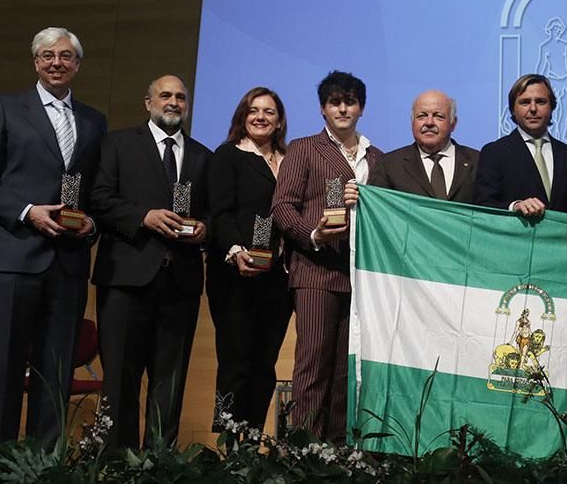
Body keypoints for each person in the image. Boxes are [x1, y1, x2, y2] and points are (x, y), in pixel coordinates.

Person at [0, 27, 107, 446]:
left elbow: (95, 189)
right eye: (47, 56)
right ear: (35, 62)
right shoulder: (3, 109)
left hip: (68, 263)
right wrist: (26, 212)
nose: (56, 62)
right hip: (13, 258)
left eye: (65, 56)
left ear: (77, 63)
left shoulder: (94, 120)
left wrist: (92, 224)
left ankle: (45, 465)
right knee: (0, 369)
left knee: (55, 372)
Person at [90, 74, 212, 448]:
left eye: (180, 97)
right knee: (119, 382)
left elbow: (210, 213)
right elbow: (99, 199)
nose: (173, 102)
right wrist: (143, 216)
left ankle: (160, 464)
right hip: (126, 280)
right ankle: (117, 464)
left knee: (170, 382)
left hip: (180, 283)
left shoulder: (203, 156)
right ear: (148, 102)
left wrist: (205, 228)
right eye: (165, 95)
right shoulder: (118, 145)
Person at [271, 70, 382, 441]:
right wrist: (314, 234)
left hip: (362, 278)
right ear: (323, 108)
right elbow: (283, 207)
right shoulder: (304, 148)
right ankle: (304, 453)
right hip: (316, 272)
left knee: (345, 373)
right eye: (335, 102)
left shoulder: (378, 158)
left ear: (361, 108)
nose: (343, 108)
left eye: (350, 101)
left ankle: (334, 452)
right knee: (313, 367)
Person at [207, 87, 292, 435]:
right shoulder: (227, 156)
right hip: (235, 274)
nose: (260, 117)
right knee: (235, 362)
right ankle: (227, 441)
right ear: (242, 116)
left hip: (278, 278)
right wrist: (235, 251)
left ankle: (252, 441)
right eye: (253, 110)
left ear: (280, 120)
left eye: (269, 111)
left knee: (264, 364)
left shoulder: (290, 159)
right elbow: (220, 212)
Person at [475, 74, 567, 215]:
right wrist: (515, 206)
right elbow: (483, 204)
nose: (533, 108)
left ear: (552, 107)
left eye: (541, 102)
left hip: (559, 236)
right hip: (516, 235)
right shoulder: (495, 152)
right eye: (525, 102)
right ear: (513, 109)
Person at [363, 89, 479, 203]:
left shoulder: (478, 161)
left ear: (453, 123)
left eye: (438, 116)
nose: (429, 123)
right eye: (421, 116)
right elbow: (379, 211)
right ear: (412, 122)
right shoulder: (389, 165)